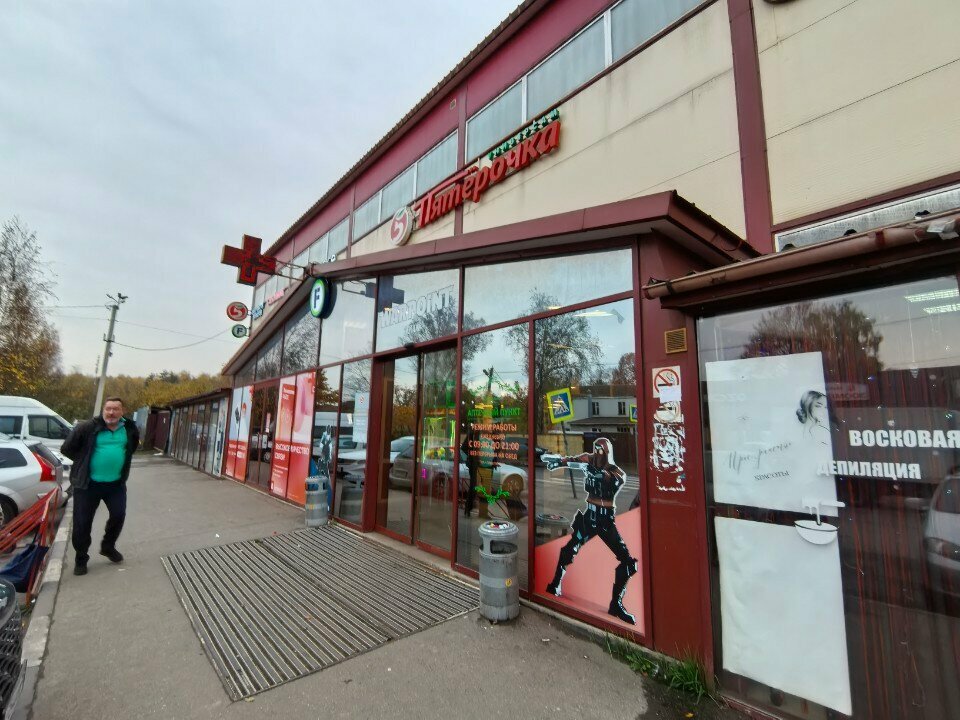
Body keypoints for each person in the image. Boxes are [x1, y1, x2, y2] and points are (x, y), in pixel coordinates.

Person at [544, 437, 638, 624]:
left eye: (601, 450)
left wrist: (598, 473)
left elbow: (612, 478)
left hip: (605, 520)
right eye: (595, 449)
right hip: (590, 517)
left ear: (607, 452)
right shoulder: (590, 459)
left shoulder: (616, 471)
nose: (597, 453)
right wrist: (559, 462)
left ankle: (616, 604)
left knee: (628, 562)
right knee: (569, 549)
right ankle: (555, 584)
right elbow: (575, 461)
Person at [61, 396, 140, 576]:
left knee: (118, 515)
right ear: (103, 410)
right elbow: (67, 448)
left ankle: (108, 546)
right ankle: (81, 558)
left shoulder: (129, 427)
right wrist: (83, 460)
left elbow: (131, 447)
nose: (111, 412)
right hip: (88, 485)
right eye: (108, 409)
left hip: (116, 484)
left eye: (115, 409)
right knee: (83, 523)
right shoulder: (87, 428)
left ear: (122, 411)